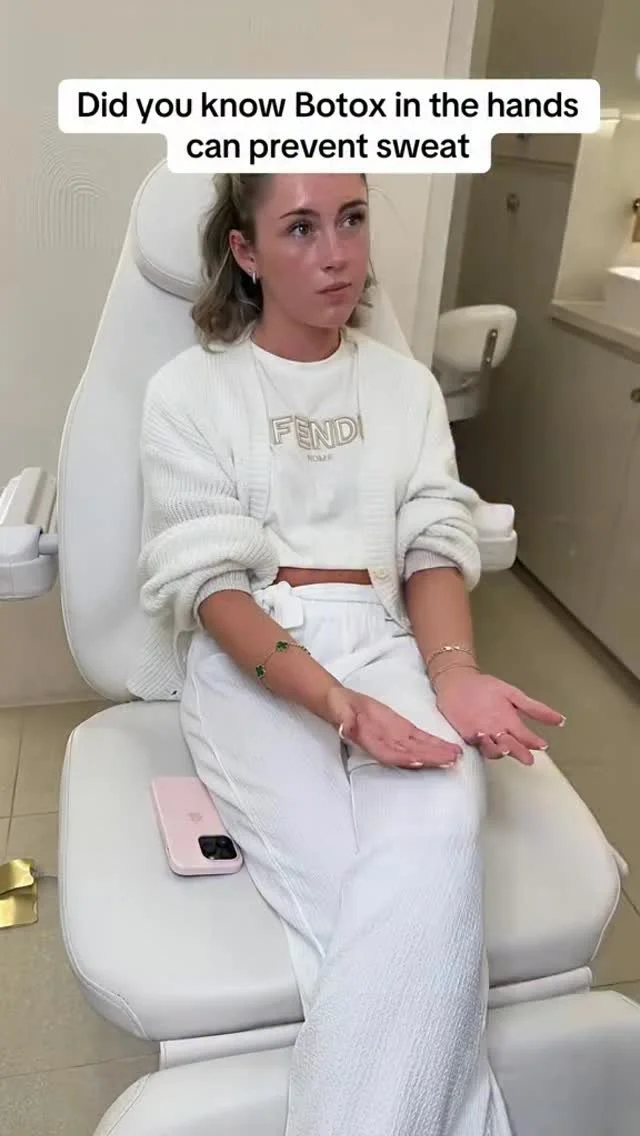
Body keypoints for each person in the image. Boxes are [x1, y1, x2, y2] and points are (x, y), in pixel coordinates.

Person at [129, 172, 565, 1135]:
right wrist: (337, 705)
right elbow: (213, 588)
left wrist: (451, 673)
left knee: (434, 852)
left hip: (386, 638)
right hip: (255, 658)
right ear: (245, 251)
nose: (336, 254)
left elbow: (431, 541)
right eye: (299, 228)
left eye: (352, 220)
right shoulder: (187, 393)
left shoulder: (405, 389)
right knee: (375, 904)